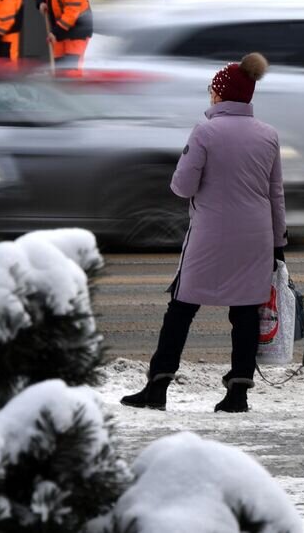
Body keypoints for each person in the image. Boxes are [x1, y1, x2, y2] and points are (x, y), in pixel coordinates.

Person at [121, 53, 287, 414]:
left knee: (180, 309)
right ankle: (238, 392)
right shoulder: (269, 135)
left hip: (210, 234)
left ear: (220, 94)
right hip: (256, 237)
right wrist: (279, 243)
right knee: (245, 313)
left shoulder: (205, 131)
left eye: (213, 90)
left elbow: (182, 186)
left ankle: (158, 385)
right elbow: (276, 194)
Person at [34, 0, 92, 73]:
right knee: (59, 68)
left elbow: (71, 14)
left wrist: (55, 32)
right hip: (59, 28)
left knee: (71, 70)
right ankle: (60, 90)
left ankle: (74, 91)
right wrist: (40, 2)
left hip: (78, 30)